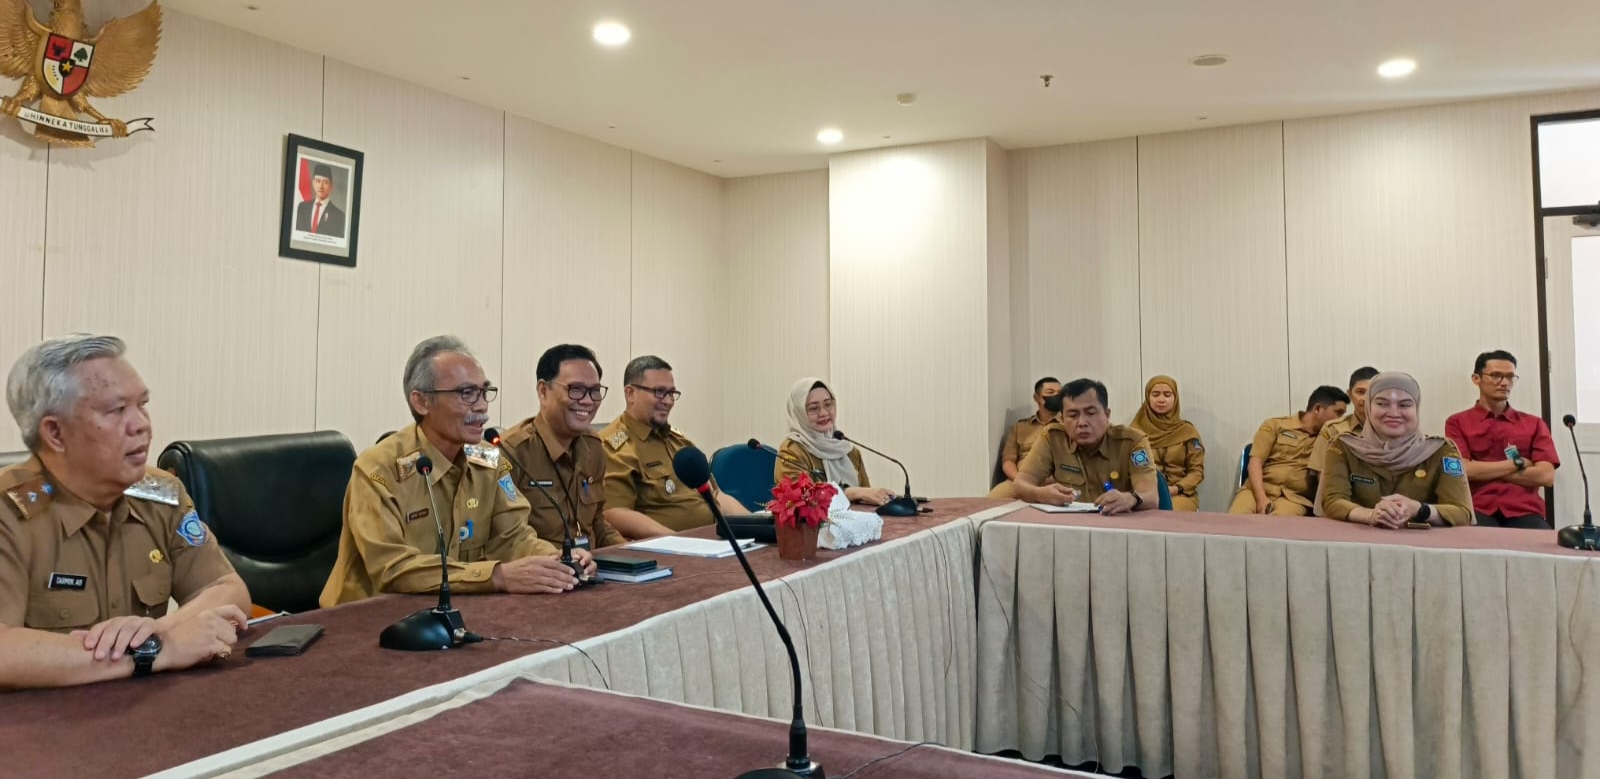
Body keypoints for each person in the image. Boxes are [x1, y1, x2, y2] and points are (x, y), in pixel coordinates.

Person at [1, 335, 251, 688]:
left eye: (142, 404)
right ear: (55, 433)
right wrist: (153, 652)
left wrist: (161, 632)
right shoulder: (8, 514)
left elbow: (225, 586)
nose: (142, 424)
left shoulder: (160, 493)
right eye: (116, 410)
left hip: (143, 705)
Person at [320, 336, 592, 607]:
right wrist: (496, 576)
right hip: (370, 615)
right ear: (421, 402)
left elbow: (512, 538)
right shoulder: (379, 470)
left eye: (484, 392)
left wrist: (557, 560)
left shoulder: (488, 459)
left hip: (456, 606)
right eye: (466, 393)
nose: (482, 406)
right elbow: (391, 568)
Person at [600, 356, 747, 538]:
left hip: (713, 541)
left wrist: (761, 527)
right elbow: (615, 513)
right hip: (667, 548)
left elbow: (716, 495)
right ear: (630, 394)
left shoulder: (679, 442)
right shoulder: (614, 448)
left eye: (671, 393)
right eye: (659, 392)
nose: (668, 401)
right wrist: (678, 541)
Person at [500, 344, 623, 551]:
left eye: (594, 391)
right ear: (543, 391)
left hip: (592, 564)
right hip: (543, 565)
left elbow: (598, 523)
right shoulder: (512, 452)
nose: (587, 401)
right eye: (575, 390)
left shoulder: (593, 446)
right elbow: (508, 538)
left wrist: (636, 553)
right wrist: (558, 560)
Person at [1320, 372, 1473, 528]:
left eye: (1404, 405)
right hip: (1358, 539)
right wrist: (1371, 515)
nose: (1393, 413)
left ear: (1416, 408)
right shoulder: (1344, 446)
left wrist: (1420, 510)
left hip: (1421, 541)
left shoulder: (1441, 450)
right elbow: (1332, 501)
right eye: (1382, 404)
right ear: (1368, 407)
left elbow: (1462, 512)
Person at [1444, 350, 1559, 529]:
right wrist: (1519, 463)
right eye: (1496, 376)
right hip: (1476, 508)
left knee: (1543, 540)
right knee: (1467, 539)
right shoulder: (1457, 422)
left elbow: (1546, 476)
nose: (1505, 383)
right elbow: (1462, 470)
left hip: (1525, 510)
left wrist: (1482, 470)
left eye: (1510, 377)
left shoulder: (1534, 423)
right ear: (1476, 379)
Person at [1014, 378, 1158, 515]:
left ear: (1107, 415)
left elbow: (1151, 497)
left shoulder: (1132, 441)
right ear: (1062, 419)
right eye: (1073, 415)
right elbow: (1020, 484)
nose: (1082, 422)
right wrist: (1040, 494)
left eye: (1090, 413)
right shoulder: (1052, 438)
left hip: (1117, 522)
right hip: (1071, 523)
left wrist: (1131, 499)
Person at [1229, 386, 1349, 516]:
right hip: (1257, 490)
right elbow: (1255, 462)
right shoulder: (1275, 425)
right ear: (1318, 409)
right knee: (1236, 520)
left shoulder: (1330, 440)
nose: (1340, 419)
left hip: (1294, 499)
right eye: (1338, 413)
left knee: (1279, 525)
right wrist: (1261, 498)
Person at [776, 378, 894, 506]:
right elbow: (801, 499)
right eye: (814, 408)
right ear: (799, 413)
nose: (823, 413)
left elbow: (867, 497)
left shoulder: (849, 451)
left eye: (828, 405)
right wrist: (849, 493)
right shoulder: (791, 451)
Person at [1128, 375, 1205, 511]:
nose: (1161, 400)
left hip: (1180, 494)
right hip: (1145, 494)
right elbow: (1132, 469)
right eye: (1155, 394)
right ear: (1148, 397)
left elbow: (1196, 472)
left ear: (1175, 398)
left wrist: (1176, 489)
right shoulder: (1135, 432)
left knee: (1167, 515)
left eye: (1167, 395)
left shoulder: (1187, 432)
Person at [1309, 367, 1379, 497]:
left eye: (1371, 392)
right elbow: (1323, 476)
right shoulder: (1333, 429)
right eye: (1360, 392)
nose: (1365, 398)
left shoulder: (1391, 429)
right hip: (1341, 498)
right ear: (1349, 394)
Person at [988, 376, 1061, 500]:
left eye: (1059, 393)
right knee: (988, 503)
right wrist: (1020, 481)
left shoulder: (1068, 426)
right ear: (1036, 398)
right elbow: (1008, 460)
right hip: (1017, 481)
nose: (1056, 396)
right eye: (1050, 392)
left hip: (1054, 484)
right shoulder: (1020, 427)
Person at [294, 163, 346, 238]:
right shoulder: (302, 207)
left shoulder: (339, 216)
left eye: (325, 182)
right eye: (318, 181)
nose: (321, 186)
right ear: (313, 183)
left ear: (331, 186)